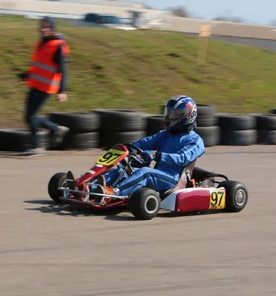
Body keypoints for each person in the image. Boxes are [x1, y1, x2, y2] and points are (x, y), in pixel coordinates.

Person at [67, 95, 205, 198]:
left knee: (145, 172)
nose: (171, 116)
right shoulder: (165, 134)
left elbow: (182, 158)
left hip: (173, 180)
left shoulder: (195, 140)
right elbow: (143, 143)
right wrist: (129, 149)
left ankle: (112, 193)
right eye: (170, 113)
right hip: (159, 175)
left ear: (187, 116)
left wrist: (157, 156)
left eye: (175, 114)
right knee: (122, 170)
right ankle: (87, 187)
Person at [19, 16, 71, 156]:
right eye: (42, 26)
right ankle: (56, 129)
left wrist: (62, 90)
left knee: (31, 115)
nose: (43, 29)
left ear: (53, 28)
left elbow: (63, 69)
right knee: (28, 116)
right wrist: (26, 74)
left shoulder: (57, 45)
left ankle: (38, 146)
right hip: (35, 84)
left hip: (47, 87)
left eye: (47, 26)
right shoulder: (41, 43)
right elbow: (38, 65)